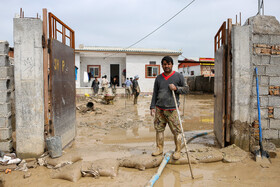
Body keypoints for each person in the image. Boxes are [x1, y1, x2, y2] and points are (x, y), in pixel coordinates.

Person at [150, 56, 189, 160]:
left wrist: (176, 88)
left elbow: (186, 89)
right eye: (164, 64)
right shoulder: (158, 78)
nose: (166, 66)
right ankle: (159, 149)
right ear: (162, 65)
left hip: (172, 109)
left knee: (177, 131)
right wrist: (152, 106)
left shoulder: (178, 76)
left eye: (168, 64)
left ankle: (178, 150)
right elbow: (155, 93)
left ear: (172, 65)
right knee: (159, 129)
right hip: (159, 109)